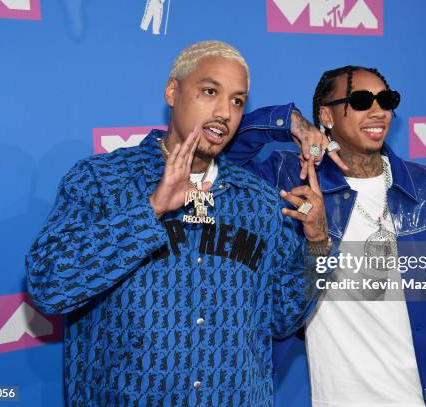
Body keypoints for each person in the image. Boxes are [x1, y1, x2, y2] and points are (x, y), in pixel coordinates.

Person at [25, 40, 331, 406]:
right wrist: (151, 208)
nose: (225, 112)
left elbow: (282, 319)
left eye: (237, 101)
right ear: (172, 91)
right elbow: (49, 286)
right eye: (209, 92)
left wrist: (316, 243)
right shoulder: (101, 181)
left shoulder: (258, 199)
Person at [225, 66, 426, 406]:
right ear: (327, 115)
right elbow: (216, 156)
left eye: (387, 100)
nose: (378, 110)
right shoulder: (293, 178)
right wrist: (288, 121)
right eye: (362, 100)